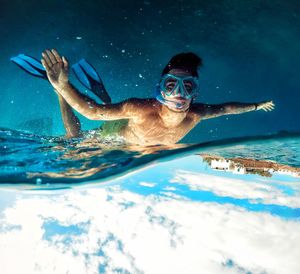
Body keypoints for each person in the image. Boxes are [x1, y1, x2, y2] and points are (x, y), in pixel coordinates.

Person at [41, 49, 274, 145]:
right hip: (115, 138)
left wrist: (255, 106)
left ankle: (95, 92)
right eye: (172, 85)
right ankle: (60, 94)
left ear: (195, 91)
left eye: (188, 86)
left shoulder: (196, 114)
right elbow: (90, 112)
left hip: (136, 149)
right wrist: (63, 84)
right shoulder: (139, 108)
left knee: (106, 108)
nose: (180, 94)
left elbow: (226, 108)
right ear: (160, 90)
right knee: (73, 138)